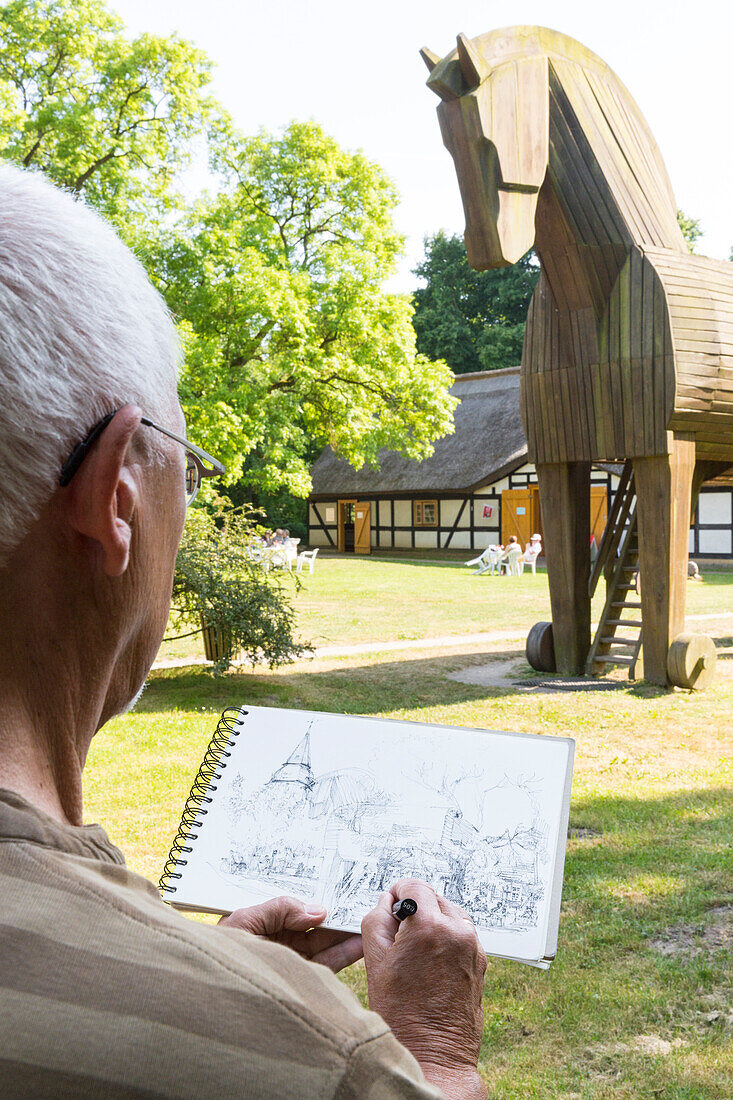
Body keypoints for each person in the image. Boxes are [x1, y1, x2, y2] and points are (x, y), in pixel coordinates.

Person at [0, 166, 486, 1099]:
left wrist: (189, 979)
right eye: (189, 465)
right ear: (116, 495)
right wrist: (431, 1061)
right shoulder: (313, 1069)